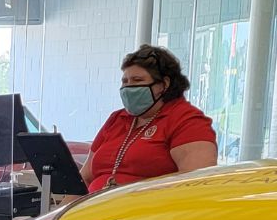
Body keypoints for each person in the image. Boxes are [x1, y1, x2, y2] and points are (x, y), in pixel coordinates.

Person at [79, 45, 217, 193]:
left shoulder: (187, 121)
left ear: (163, 85)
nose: (128, 88)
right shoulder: (117, 119)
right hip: (93, 204)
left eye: (137, 80)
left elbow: (194, 185)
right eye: (125, 81)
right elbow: (84, 178)